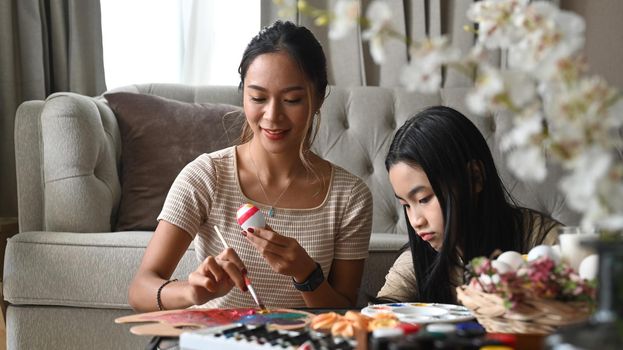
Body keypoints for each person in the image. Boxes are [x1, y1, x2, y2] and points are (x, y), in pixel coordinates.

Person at [129, 20, 372, 312]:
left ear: (318, 98)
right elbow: (140, 291)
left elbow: (346, 313)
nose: (272, 116)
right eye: (258, 98)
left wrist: (307, 275)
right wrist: (192, 292)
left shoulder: (349, 196)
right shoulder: (206, 176)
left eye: (292, 100)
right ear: (243, 93)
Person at [376, 106, 560, 304]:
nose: (415, 221)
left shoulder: (540, 240)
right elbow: (378, 318)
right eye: (406, 205)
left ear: (475, 177)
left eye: (424, 199)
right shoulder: (419, 259)